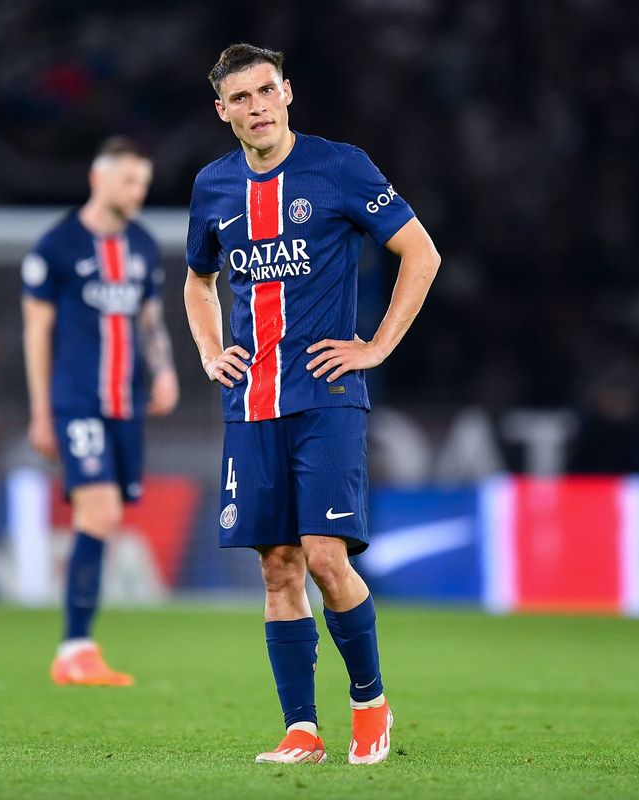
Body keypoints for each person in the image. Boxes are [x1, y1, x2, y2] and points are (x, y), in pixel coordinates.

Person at [183, 44, 441, 765]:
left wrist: (377, 346)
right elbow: (198, 281)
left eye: (267, 90)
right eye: (241, 98)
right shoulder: (213, 185)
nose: (257, 106)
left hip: (326, 395)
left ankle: (369, 703)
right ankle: (301, 729)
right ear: (223, 111)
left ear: (288, 92)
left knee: (327, 558)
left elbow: (421, 253)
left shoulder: (340, 167)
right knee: (277, 567)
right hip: (251, 401)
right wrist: (208, 351)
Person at [21, 136, 179, 686]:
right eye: (129, 180)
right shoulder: (57, 246)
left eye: (143, 183)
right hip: (77, 402)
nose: (137, 192)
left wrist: (164, 370)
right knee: (100, 512)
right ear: (99, 178)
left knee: (108, 516)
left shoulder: (142, 245)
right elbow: (36, 331)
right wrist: (42, 412)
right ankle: (75, 648)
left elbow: (149, 318)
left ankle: (77, 648)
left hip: (125, 405)